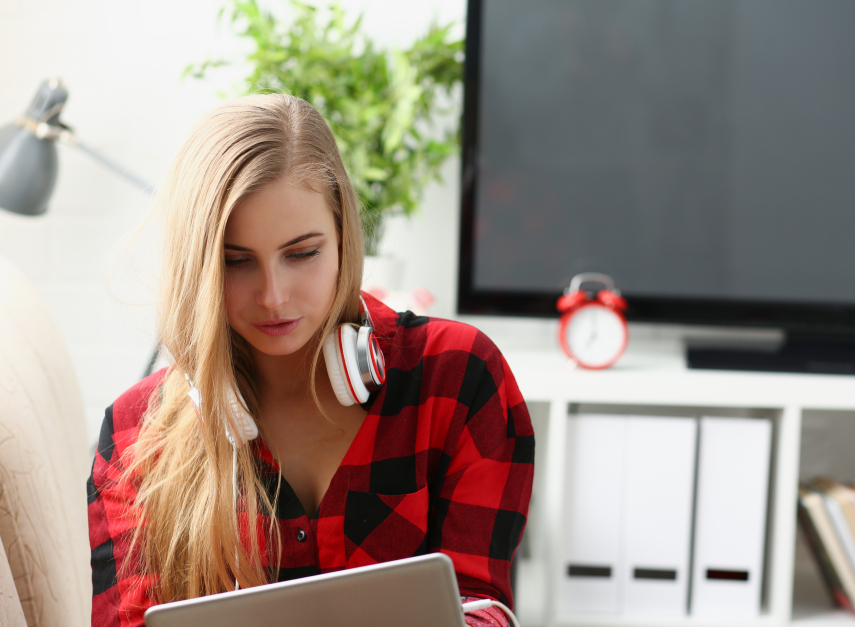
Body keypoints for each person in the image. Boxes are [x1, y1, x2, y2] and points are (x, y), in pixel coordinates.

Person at [87, 94, 534, 627]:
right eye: (235, 262)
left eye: (302, 253)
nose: (273, 296)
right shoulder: (139, 436)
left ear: (345, 237)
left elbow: (483, 609)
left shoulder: (459, 378)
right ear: (199, 267)